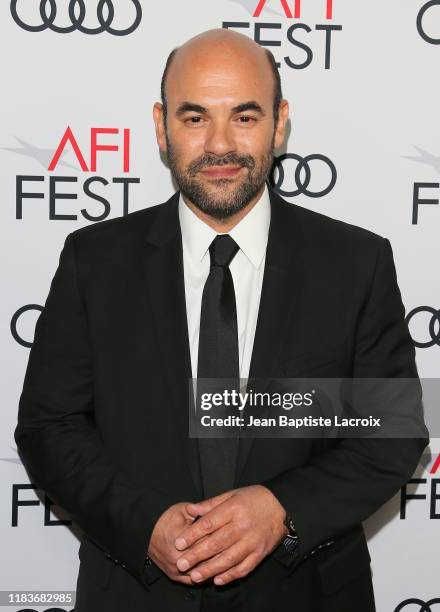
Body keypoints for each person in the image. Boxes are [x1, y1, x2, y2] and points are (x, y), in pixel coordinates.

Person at [15, 28, 429, 612]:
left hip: (306, 595)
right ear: (161, 126)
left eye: (244, 117)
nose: (219, 145)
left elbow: (396, 430)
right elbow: (48, 426)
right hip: (136, 597)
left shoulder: (355, 264)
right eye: (193, 118)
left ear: (280, 123)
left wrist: (282, 509)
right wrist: (146, 525)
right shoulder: (95, 262)